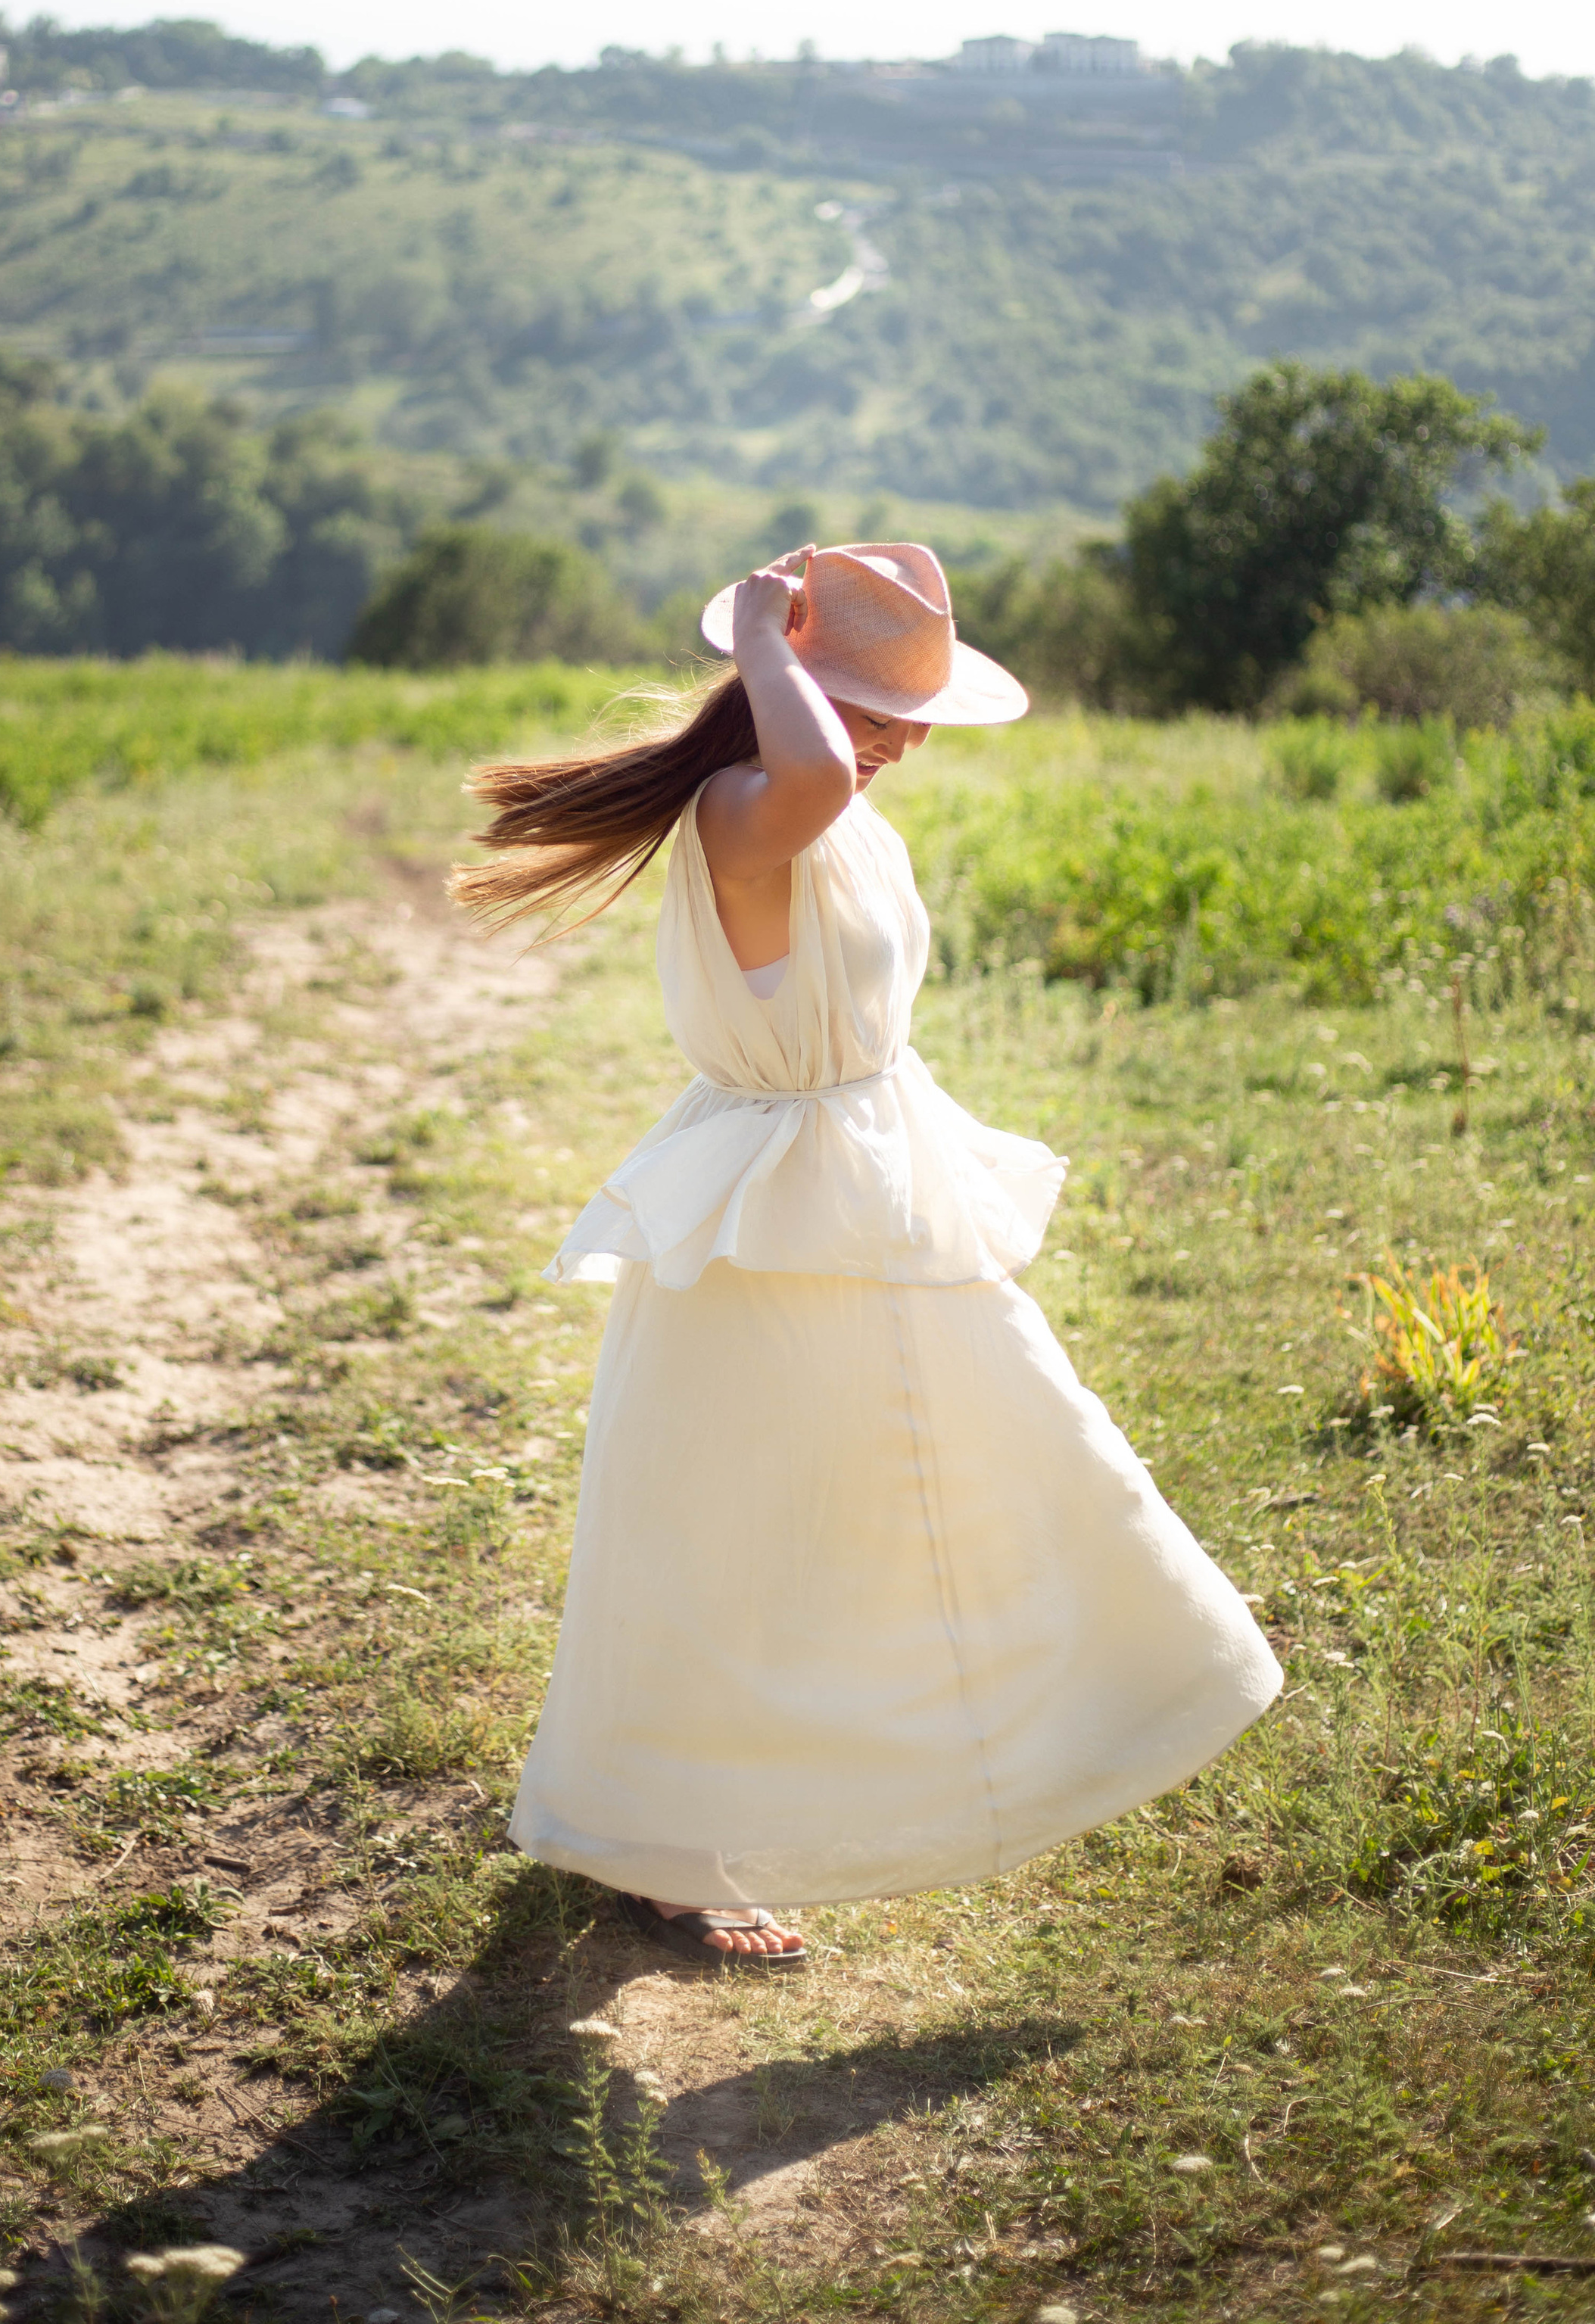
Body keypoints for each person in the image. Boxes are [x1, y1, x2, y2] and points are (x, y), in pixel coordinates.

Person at [454, 541, 1281, 1968]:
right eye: (866, 703)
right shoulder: (745, 808)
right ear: (785, 692)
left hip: (874, 1195)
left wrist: (797, 676)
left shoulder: (845, 820)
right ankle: (667, 1842)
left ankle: (1080, 1717)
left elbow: (845, 855)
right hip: (773, 1221)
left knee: (1015, 1458)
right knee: (734, 1535)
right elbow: (818, 774)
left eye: (910, 713)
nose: (896, 740)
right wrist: (768, 650)